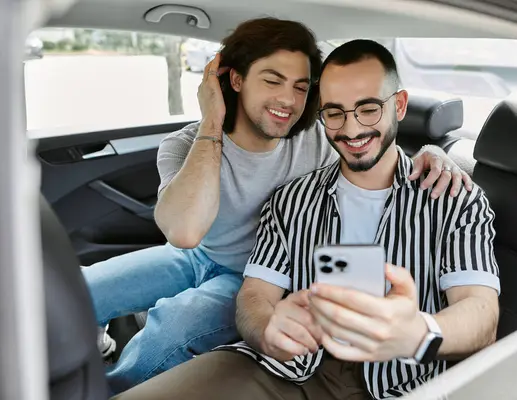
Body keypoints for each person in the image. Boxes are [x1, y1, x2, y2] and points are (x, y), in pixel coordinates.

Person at [83, 19, 472, 394]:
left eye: (301, 87)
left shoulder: (318, 137)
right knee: (84, 289)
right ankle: (95, 347)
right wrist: (212, 121)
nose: (288, 100)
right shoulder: (186, 145)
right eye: (272, 81)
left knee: (166, 334)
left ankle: (111, 390)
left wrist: (434, 151)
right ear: (236, 80)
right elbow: (185, 233)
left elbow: (377, 152)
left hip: (258, 277)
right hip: (199, 254)